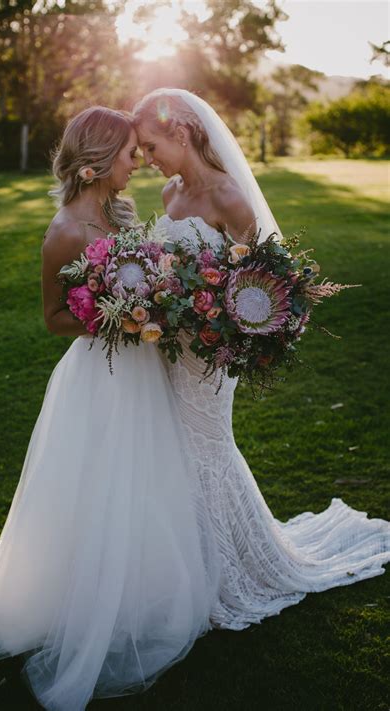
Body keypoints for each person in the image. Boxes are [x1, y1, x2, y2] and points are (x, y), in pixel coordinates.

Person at [0, 106, 221, 710]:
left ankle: (143, 586)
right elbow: (53, 317)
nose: (139, 163)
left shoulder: (118, 212)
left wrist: (154, 308)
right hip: (102, 372)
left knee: (148, 477)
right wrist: (120, 320)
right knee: (99, 483)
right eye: (131, 154)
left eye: (141, 151)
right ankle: (83, 595)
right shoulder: (64, 232)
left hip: (143, 368)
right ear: (98, 163)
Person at [133, 88, 390, 631]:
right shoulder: (169, 193)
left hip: (208, 353)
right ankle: (180, 566)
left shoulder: (229, 198)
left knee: (206, 448)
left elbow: (259, 285)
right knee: (172, 449)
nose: (148, 160)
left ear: (181, 134)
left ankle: (227, 568)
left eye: (152, 146)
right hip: (169, 348)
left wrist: (216, 324)